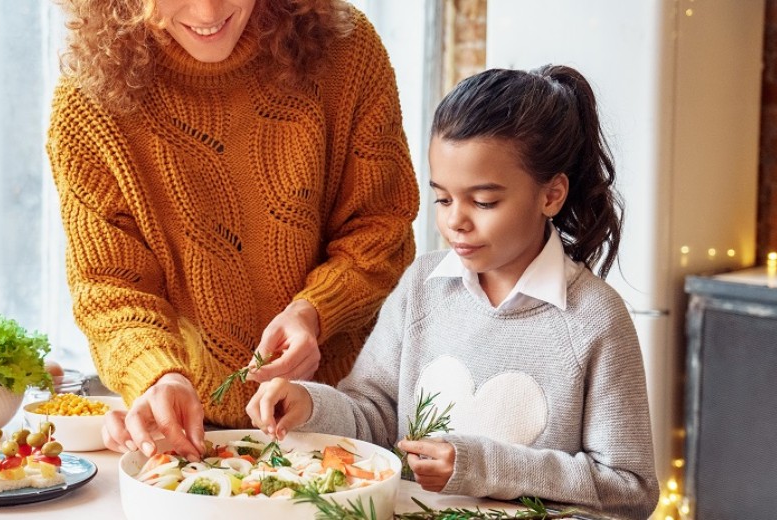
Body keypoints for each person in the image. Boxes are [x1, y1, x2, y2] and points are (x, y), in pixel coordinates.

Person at [247, 65, 660, 519]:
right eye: (443, 199)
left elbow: (630, 489)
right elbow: (374, 417)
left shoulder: (595, 319)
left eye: (483, 202)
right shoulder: (421, 287)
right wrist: (309, 405)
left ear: (551, 195)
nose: (455, 221)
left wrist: (480, 466)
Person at [47, 0, 419, 462]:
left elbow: (380, 224)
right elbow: (110, 287)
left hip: (346, 415)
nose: (207, 11)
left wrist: (315, 312)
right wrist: (160, 375)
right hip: (191, 432)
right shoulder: (88, 102)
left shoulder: (346, 50)